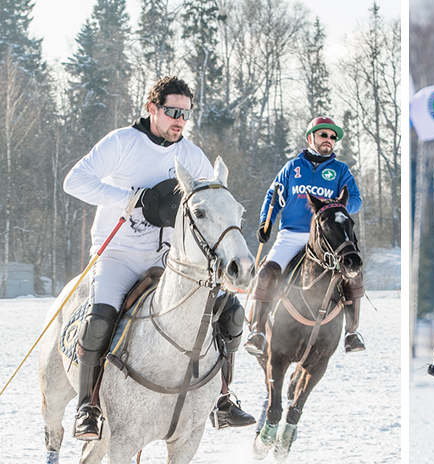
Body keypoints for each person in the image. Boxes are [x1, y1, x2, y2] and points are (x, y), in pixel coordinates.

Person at [64, 76, 255, 440]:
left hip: (170, 262)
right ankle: (87, 407)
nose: (179, 121)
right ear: (152, 108)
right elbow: (74, 181)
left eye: (185, 113)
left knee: (230, 311)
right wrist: (128, 198)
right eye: (172, 112)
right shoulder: (122, 142)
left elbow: (211, 202)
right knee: (101, 317)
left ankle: (223, 398)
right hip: (119, 255)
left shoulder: (191, 155)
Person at [245, 116, 364, 357]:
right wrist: (265, 222)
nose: (329, 140)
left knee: (353, 274)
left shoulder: (340, 170)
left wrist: (335, 209)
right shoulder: (292, 168)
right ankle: (256, 332)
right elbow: (273, 196)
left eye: (332, 137)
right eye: (324, 135)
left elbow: (355, 200)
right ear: (310, 138)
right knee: (267, 272)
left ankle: (351, 333)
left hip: (327, 240)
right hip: (291, 235)